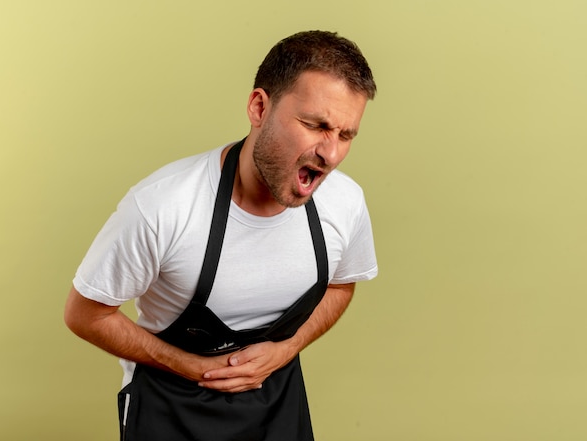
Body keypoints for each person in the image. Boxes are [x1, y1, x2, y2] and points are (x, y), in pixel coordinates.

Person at [64, 30, 378, 441]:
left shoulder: (345, 203)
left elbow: (341, 285)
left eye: (345, 135)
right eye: (315, 125)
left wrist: (285, 350)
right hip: (170, 406)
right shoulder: (164, 206)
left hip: (277, 402)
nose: (331, 154)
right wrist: (189, 366)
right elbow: (85, 314)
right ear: (259, 106)